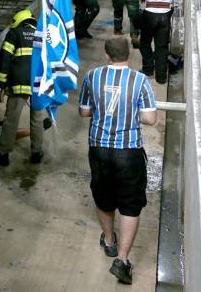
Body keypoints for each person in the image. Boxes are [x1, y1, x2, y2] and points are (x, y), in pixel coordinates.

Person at [79, 36, 157, 285]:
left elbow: (84, 111)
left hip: (99, 148)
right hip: (128, 151)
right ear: (130, 55)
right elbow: (150, 119)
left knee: (103, 196)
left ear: (107, 55)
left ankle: (109, 241)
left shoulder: (92, 77)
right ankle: (122, 260)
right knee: (130, 204)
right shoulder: (140, 80)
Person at [0, 9, 45, 166]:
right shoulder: (41, 34)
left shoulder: (14, 34)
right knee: (37, 119)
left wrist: (2, 83)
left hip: (19, 83)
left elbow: (4, 59)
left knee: (11, 119)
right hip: (37, 84)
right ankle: (37, 153)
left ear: (17, 21)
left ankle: (3, 154)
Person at [127, 0, 179, 84]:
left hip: (150, 14)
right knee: (161, 47)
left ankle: (148, 70)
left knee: (145, 43)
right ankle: (161, 78)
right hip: (166, 15)